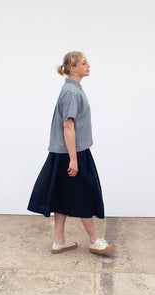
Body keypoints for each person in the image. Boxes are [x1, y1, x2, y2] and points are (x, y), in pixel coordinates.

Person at [27, 51, 113, 255]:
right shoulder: (72, 92)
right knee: (84, 194)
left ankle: (59, 241)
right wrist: (74, 159)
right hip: (73, 152)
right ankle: (94, 240)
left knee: (61, 194)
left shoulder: (71, 89)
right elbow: (68, 126)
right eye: (84, 63)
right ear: (73, 68)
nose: (88, 65)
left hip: (66, 152)